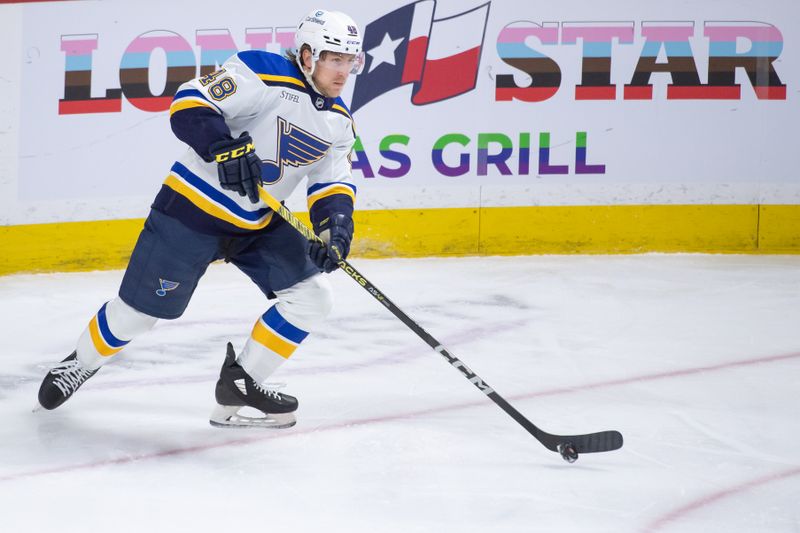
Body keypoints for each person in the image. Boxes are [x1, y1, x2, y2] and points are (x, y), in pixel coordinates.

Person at [37, 9, 364, 429]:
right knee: (137, 315)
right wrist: (221, 146)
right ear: (306, 54)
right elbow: (190, 103)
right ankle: (81, 363)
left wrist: (334, 229)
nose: (343, 72)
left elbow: (332, 183)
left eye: (350, 61)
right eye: (334, 59)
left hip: (257, 225)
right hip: (191, 211)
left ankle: (240, 383)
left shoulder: (339, 122)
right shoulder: (261, 71)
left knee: (313, 297)